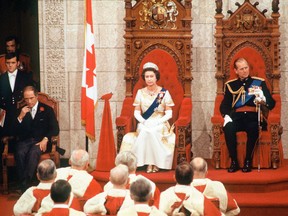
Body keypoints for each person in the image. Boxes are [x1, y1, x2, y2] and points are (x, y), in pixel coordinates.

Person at [220, 57, 275, 173]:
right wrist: (227, 116)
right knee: (228, 128)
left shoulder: (259, 83)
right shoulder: (230, 85)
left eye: (246, 68)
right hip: (237, 117)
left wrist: (263, 98)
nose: (245, 71)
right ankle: (234, 161)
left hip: (252, 116)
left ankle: (248, 161)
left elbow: (272, 103)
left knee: (253, 128)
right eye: (241, 69)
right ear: (236, 71)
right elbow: (224, 105)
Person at [120, 62, 175, 173]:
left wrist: (157, 122)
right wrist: (144, 121)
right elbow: (136, 112)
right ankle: (145, 163)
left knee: (153, 131)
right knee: (145, 131)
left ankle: (156, 163)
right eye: (147, 77)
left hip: (160, 122)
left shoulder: (163, 93)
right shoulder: (140, 93)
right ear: (144, 78)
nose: (149, 79)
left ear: (156, 77)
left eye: (151, 76)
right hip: (145, 121)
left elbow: (169, 113)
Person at [14, 85, 59, 191]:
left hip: (40, 141)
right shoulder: (21, 111)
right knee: (19, 152)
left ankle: (26, 183)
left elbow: (55, 129)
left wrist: (46, 139)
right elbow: (14, 131)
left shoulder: (47, 109)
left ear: (37, 96)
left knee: (33, 152)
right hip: (25, 141)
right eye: (26, 99)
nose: (29, 101)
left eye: (31, 98)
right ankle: (23, 181)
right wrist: (20, 117)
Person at [0, 52, 34, 138]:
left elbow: (31, 96)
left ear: (18, 63)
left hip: (22, 114)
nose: (10, 65)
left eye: (13, 62)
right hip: (6, 117)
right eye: (8, 63)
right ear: (5, 63)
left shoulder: (26, 77)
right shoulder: (1, 79)